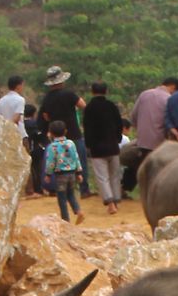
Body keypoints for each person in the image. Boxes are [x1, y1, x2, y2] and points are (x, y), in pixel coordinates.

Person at [39, 65, 89, 196]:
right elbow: (83, 105)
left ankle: (58, 189)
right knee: (80, 160)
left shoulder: (47, 98)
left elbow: (45, 116)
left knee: (56, 162)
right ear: (61, 80)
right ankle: (84, 189)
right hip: (73, 132)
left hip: (56, 134)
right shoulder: (69, 94)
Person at [125, 76, 178, 192]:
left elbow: (134, 116)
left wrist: (140, 129)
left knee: (140, 164)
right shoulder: (169, 99)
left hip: (143, 140)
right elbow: (169, 121)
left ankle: (124, 188)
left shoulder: (145, 94)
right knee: (159, 169)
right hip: (159, 142)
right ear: (173, 87)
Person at [82, 81, 124, 214]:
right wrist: (117, 138)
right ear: (106, 91)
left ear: (92, 92)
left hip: (97, 148)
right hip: (113, 146)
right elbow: (119, 124)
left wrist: (88, 145)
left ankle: (110, 202)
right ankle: (116, 201)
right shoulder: (112, 106)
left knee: (102, 177)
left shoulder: (89, 108)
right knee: (115, 175)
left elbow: (87, 129)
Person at [43, 119, 84, 224]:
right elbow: (76, 158)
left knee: (61, 198)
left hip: (60, 175)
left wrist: (48, 174)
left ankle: (65, 220)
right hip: (72, 174)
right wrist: (79, 173)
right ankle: (78, 211)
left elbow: (50, 162)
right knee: (71, 194)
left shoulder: (52, 147)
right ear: (65, 131)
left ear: (51, 133)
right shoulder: (71, 143)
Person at [22, 102, 42, 195]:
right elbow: (38, 136)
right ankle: (39, 189)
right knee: (38, 169)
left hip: (25, 149)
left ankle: (30, 189)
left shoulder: (21, 124)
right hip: (36, 149)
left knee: (29, 170)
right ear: (34, 113)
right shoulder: (35, 123)